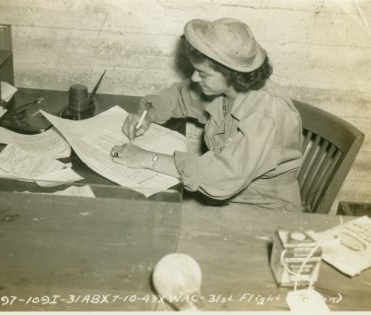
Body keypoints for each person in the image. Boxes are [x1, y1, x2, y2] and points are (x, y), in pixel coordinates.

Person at [110, 18, 303, 212]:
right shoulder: (226, 90)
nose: (194, 78)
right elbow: (179, 95)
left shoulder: (267, 113)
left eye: (203, 74)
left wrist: (148, 159)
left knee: (160, 219)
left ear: (231, 74)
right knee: (152, 212)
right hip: (229, 197)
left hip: (265, 208)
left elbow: (222, 176)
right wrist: (148, 115)